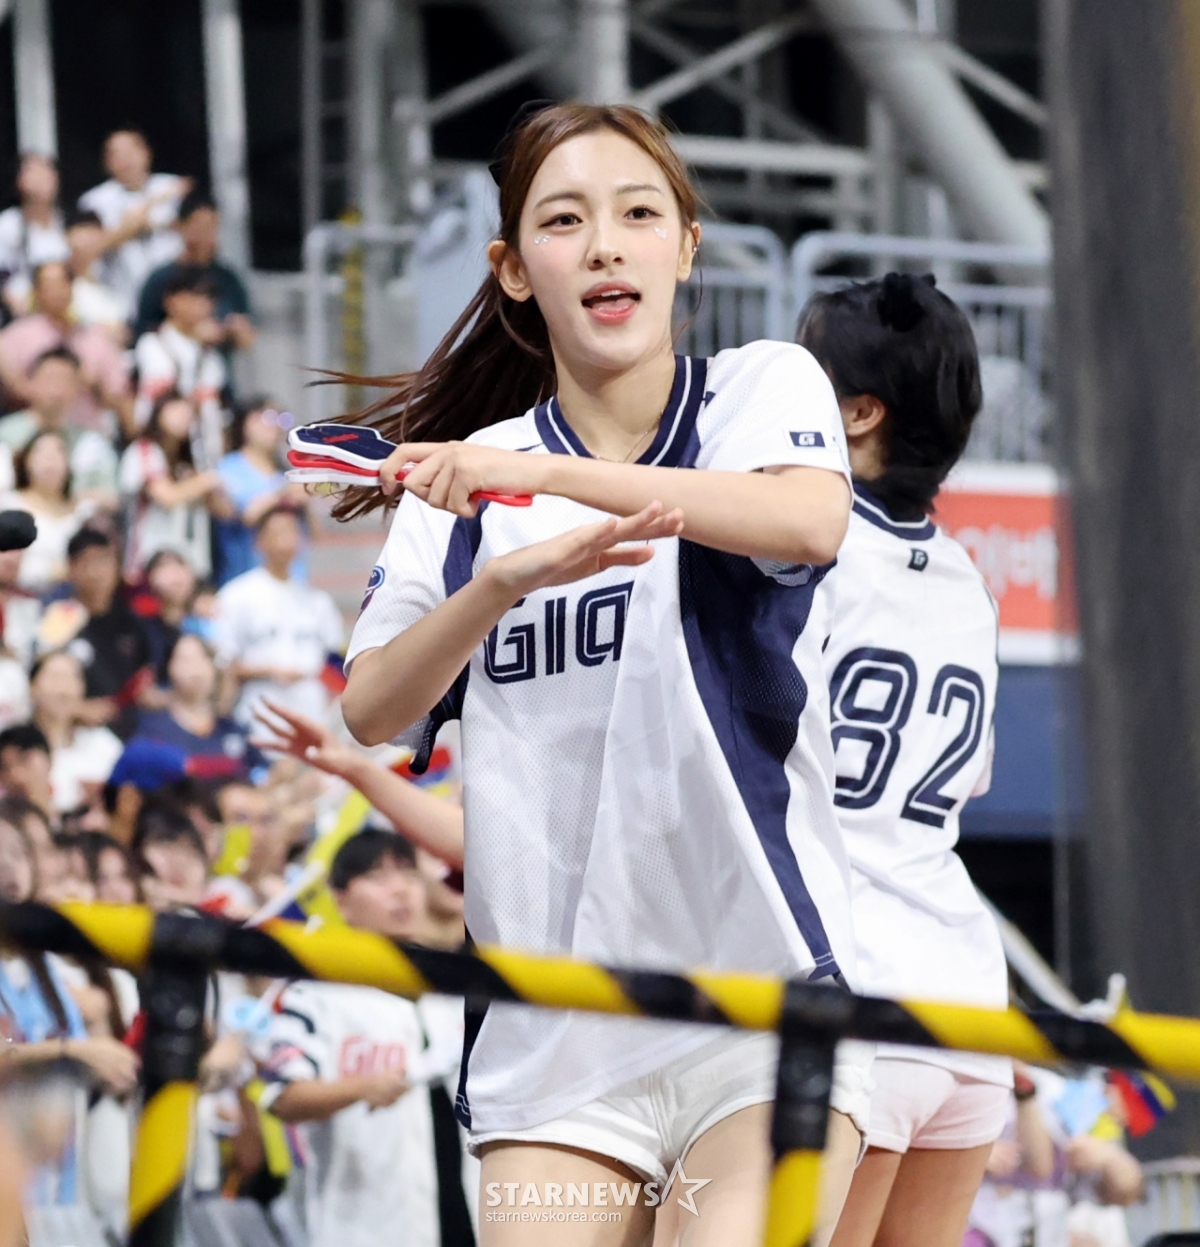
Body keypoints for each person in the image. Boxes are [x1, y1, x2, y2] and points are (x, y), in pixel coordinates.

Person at [338, 103, 867, 1247]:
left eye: (637, 214)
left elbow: (807, 520)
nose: (605, 246)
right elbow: (371, 707)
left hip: (762, 1001)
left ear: (686, 245)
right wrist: (499, 580)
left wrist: (556, 482)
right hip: (553, 1034)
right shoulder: (470, 481)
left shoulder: (758, 388)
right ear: (513, 268)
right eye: (564, 221)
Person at [786, 274, 1006, 1247]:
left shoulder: (803, 549)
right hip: (967, 994)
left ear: (859, 412)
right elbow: (969, 780)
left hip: (856, 979)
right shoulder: (965, 577)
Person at [254, 830, 473, 1247]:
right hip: (367, 1229)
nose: (399, 889)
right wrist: (361, 1087)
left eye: (408, 874)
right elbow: (283, 1096)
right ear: (339, 899)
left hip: (471, 1221)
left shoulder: (454, 989)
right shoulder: (316, 994)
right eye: (376, 877)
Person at [214, 506, 342, 730]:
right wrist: (269, 670)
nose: (286, 540)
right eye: (277, 532)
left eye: (292, 532)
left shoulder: (318, 601)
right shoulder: (235, 595)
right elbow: (222, 661)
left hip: (311, 713)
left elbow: (334, 659)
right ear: (258, 541)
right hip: (258, 712)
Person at [0, 260, 133, 434]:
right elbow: (12, 391)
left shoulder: (95, 338)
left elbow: (117, 395)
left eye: (62, 283)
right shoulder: (13, 338)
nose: (57, 291)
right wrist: (56, 385)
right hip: (34, 436)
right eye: (49, 285)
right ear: (37, 292)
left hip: (87, 434)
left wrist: (89, 384)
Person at [133, 190, 256, 366]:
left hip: (216, 371)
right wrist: (188, 331)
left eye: (211, 226)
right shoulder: (160, 279)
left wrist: (233, 332)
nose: (205, 234)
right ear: (181, 226)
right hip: (172, 372)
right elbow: (142, 333)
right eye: (198, 225)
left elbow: (247, 335)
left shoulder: (228, 279)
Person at [77, 130, 189, 312]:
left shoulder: (172, 185)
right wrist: (137, 222)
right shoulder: (94, 201)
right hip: (123, 298)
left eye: (131, 152)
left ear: (146, 153)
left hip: (177, 293)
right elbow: (87, 249)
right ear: (107, 162)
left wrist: (151, 224)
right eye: (117, 155)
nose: (126, 160)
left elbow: (195, 226)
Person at [119, 389, 228, 577]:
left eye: (189, 414)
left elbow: (223, 511)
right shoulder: (144, 450)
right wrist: (206, 480)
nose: (184, 417)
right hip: (149, 564)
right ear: (159, 412)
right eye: (176, 410)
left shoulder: (187, 465)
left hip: (192, 565)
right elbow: (168, 496)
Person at [61, 527, 153, 738]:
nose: (96, 572)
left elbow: (145, 677)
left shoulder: (133, 621)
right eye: (86, 562)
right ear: (71, 569)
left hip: (129, 726)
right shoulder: (57, 619)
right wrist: (76, 708)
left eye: (103, 561)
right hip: (75, 728)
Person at [133, 265, 227, 468]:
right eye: (194, 296)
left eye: (208, 298)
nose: (202, 304)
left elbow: (213, 415)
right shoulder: (153, 343)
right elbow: (166, 399)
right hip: (159, 454)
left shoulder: (212, 357)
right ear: (171, 300)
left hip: (204, 457)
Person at [0, 347, 119, 506]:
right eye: (49, 379)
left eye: (64, 381)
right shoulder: (5, 434)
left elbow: (110, 498)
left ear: (78, 389)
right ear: (31, 382)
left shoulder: (91, 443)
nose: (56, 390)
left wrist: (63, 505)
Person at [213, 398, 308, 586]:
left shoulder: (285, 471)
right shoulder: (228, 469)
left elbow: (312, 533)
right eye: (269, 417)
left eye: (283, 419)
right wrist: (282, 492)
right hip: (247, 578)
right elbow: (245, 515)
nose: (275, 426)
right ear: (247, 422)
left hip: (294, 580)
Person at [136, 632, 255, 769]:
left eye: (201, 658)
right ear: (171, 667)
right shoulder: (154, 730)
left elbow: (260, 770)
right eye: (185, 660)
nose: (194, 668)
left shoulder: (233, 730)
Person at [0, 430, 96, 594]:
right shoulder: (8, 504)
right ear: (25, 460)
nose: (50, 460)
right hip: (16, 595)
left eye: (58, 452)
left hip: (70, 599)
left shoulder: (84, 513)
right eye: (41, 452)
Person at [28, 649, 123, 814]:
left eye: (72, 678)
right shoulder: (16, 747)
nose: (63, 690)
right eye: (55, 678)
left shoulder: (104, 744)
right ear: (32, 688)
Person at [0, 153, 69, 318]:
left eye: (46, 171)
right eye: (33, 172)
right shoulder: (8, 224)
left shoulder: (67, 221)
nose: (41, 179)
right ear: (19, 181)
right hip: (23, 311)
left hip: (66, 310)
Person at [64, 210, 129, 343]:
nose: (90, 243)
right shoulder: (67, 285)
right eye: (84, 235)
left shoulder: (113, 266)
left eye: (94, 235)